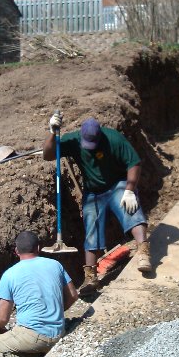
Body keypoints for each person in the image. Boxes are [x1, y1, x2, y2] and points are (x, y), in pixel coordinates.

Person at [43, 111, 152, 285]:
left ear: (100, 136)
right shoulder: (73, 140)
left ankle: (143, 252)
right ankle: (91, 276)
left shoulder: (114, 139)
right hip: (93, 192)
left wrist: (130, 190)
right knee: (91, 225)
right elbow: (48, 155)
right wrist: (52, 132)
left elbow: (134, 163)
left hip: (117, 184)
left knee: (130, 208)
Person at [0, 230, 78, 357]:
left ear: (16, 251)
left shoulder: (9, 275)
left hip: (33, 336)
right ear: (38, 248)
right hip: (58, 332)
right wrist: (55, 311)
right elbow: (73, 295)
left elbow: (3, 318)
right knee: (30, 343)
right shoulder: (55, 265)